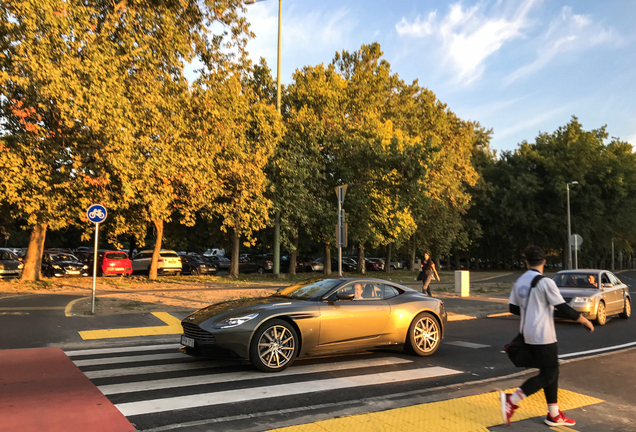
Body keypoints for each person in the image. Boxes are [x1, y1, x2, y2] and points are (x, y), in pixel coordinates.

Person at [501, 245, 594, 427]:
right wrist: (585, 321)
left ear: (526, 262)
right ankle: (511, 400)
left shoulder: (519, 282)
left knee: (550, 371)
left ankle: (553, 415)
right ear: (544, 261)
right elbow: (563, 308)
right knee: (549, 374)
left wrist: (532, 309)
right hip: (543, 335)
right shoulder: (546, 282)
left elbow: (512, 308)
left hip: (526, 333)